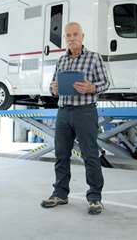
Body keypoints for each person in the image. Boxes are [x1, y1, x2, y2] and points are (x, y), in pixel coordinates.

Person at [40, 22, 109, 215]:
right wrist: (53, 89)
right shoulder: (61, 61)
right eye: (68, 35)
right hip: (63, 112)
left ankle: (95, 198)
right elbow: (53, 86)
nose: (71, 38)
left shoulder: (94, 58)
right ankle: (60, 193)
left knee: (90, 155)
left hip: (85, 112)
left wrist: (92, 88)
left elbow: (106, 82)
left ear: (83, 36)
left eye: (75, 34)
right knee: (61, 154)